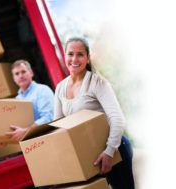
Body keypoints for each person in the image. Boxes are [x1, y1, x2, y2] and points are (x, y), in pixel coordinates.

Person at [54, 37, 135, 189]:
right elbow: (58, 126)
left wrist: (110, 152)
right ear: (64, 56)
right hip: (90, 154)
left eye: (80, 54)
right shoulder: (60, 88)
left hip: (115, 149)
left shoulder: (98, 83)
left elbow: (117, 119)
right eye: (70, 54)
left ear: (88, 57)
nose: (74, 59)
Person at [3, 59, 54, 142]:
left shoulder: (43, 90)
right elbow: (16, 128)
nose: (20, 76)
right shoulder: (17, 100)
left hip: (48, 140)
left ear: (31, 73)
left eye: (23, 72)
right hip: (30, 145)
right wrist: (3, 140)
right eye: (17, 74)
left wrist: (26, 131)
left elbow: (49, 118)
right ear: (14, 78)